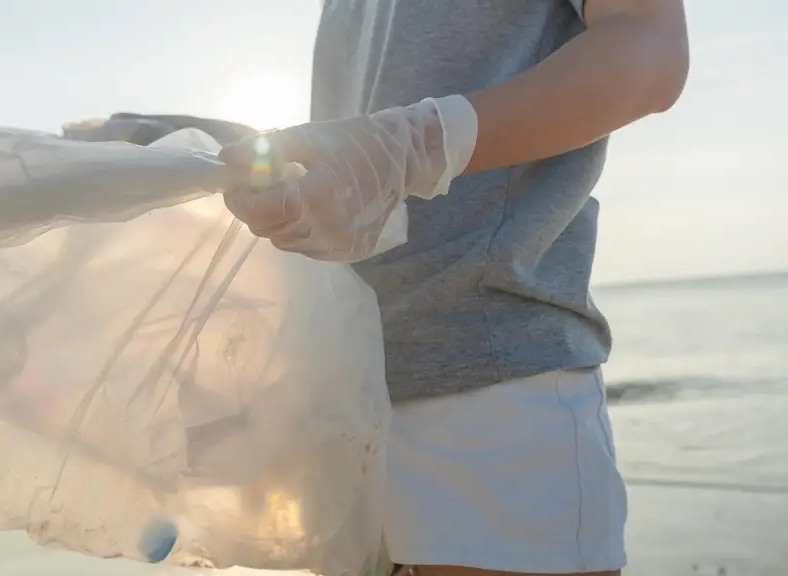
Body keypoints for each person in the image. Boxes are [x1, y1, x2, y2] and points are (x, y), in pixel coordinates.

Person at [219, 1, 690, 575]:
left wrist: (420, 144)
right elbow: (357, 137)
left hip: (494, 388)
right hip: (351, 397)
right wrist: (179, 148)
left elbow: (652, 47)